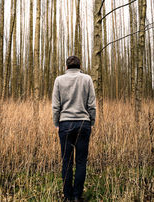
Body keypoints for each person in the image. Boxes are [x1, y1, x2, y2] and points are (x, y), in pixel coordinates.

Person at [52, 56, 96, 202]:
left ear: (66, 67)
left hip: (65, 124)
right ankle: (77, 196)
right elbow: (92, 105)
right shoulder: (87, 79)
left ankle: (67, 196)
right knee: (81, 161)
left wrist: (56, 123)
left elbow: (56, 106)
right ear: (80, 66)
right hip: (83, 123)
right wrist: (92, 121)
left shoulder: (59, 80)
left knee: (67, 161)